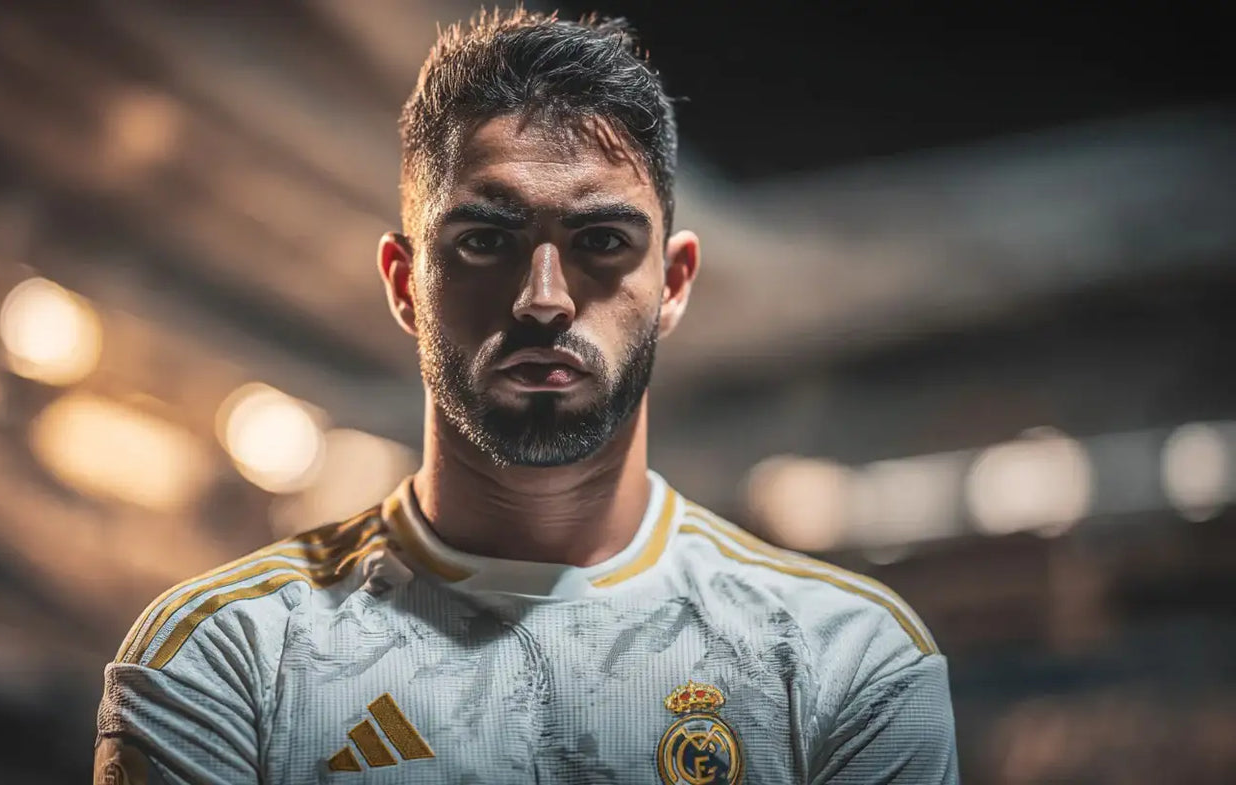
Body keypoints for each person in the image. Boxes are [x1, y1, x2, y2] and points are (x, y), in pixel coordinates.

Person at [94, 9, 959, 784]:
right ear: (403, 282)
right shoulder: (228, 656)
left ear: (673, 282)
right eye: (485, 239)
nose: (544, 298)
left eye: (601, 240)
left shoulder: (844, 657)